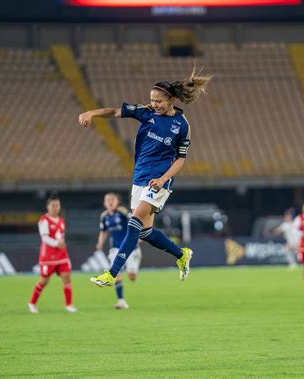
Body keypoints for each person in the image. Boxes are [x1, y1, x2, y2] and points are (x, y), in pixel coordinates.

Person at [79, 68, 212, 287]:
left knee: (133, 223)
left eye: (158, 101)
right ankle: (181, 254)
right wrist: (92, 112)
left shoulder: (182, 126)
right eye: (152, 100)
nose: (154, 104)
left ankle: (112, 273)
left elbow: (180, 159)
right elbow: (114, 112)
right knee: (145, 231)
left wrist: (162, 180)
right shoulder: (146, 112)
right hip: (139, 178)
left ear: (170, 100)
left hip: (159, 181)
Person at [28, 194, 77, 313]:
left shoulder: (61, 220)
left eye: (57, 205)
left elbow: (61, 237)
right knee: (44, 281)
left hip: (62, 255)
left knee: (66, 277)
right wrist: (56, 243)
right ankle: (32, 303)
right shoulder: (44, 220)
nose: (55, 207)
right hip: (48, 256)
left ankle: (69, 305)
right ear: (48, 206)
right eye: (53, 205)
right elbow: (44, 238)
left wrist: (61, 244)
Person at [96, 192, 142, 309]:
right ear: (104, 203)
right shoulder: (104, 216)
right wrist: (100, 243)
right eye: (107, 200)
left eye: (112, 199)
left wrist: (140, 235)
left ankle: (130, 267)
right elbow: (103, 231)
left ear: (117, 201)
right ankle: (121, 301)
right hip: (115, 248)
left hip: (131, 247)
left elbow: (135, 221)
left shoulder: (122, 211)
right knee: (116, 274)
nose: (110, 201)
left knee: (132, 277)